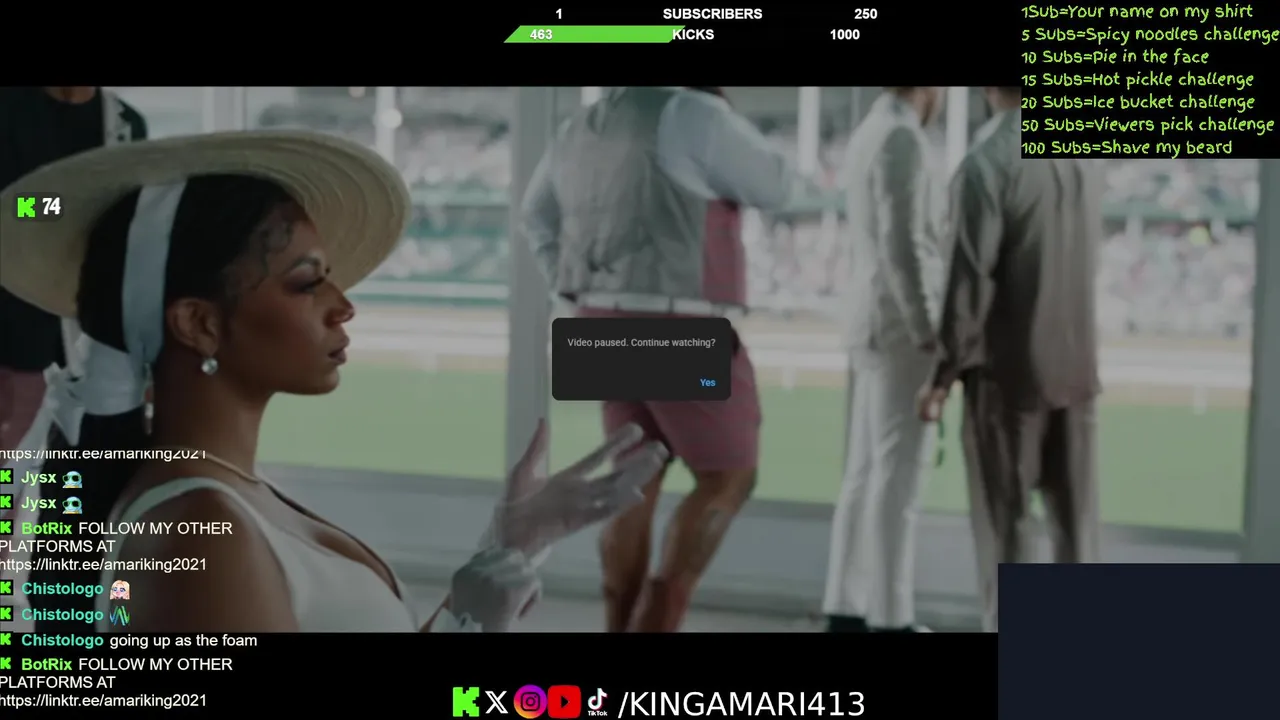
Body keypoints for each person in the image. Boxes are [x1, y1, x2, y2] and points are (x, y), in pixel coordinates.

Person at [1, 130, 668, 632]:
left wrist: (511, 546)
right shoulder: (198, 531)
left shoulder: (228, 499)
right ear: (198, 324)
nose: (343, 305)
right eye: (306, 282)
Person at [520, 86, 796, 632]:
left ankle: (618, 625)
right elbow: (777, 185)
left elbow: (534, 217)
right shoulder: (694, 112)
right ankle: (659, 618)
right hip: (675, 324)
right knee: (729, 477)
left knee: (632, 478)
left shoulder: (579, 127)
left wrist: (573, 287)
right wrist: (722, 110)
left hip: (595, 321)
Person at [917, 86, 1103, 632]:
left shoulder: (987, 162)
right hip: (1078, 368)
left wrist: (941, 376)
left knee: (1007, 527)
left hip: (1010, 375)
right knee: (1076, 529)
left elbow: (968, 284)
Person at [823, 87, 947, 633]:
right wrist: (929, 332)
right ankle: (891, 619)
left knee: (864, 474)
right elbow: (905, 246)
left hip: (870, 320)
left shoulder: (870, 131)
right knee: (899, 480)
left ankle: (845, 608)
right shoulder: (902, 138)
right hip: (898, 327)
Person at [0, 87, 146, 451]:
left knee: (56, 469)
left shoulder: (124, 125)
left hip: (83, 335)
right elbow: (8, 207)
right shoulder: (8, 109)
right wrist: (64, 207)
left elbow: (127, 217)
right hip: (12, 324)